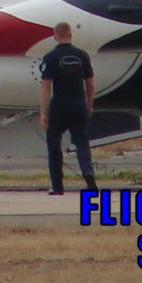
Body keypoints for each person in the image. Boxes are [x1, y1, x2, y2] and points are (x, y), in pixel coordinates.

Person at [38, 21, 97, 194]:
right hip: (78, 103)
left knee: (54, 144)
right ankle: (90, 181)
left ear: (55, 36)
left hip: (59, 105)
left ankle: (57, 186)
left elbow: (45, 86)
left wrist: (43, 112)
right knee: (82, 143)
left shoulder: (50, 58)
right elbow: (91, 85)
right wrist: (89, 104)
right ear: (71, 34)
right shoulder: (83, 56)